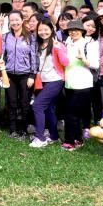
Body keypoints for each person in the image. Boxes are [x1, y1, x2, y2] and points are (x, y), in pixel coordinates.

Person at [29, 18, 68, 148]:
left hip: (55, 80)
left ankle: (40, 138)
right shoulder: (38, 44)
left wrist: (58, 49)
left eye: (46, 29)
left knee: (38, 106)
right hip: (43, 81)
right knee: (49, 108)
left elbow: (66, 62)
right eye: (40, 30)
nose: (43, 32)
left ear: (52, 30)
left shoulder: (58, 44)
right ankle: (54, 136)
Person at [61, 19, 98, 151]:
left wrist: (84, 60)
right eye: (70, 30)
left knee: (71, 113)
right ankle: (77, 139)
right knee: (73, 113)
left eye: (76, 30)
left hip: (83, 84)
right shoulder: (68, 43)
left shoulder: (89, 44)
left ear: (82, 31)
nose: (73, 32)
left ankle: (70, 141)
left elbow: (96, 65)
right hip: (69, 84)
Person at [2, 10, 38, 139]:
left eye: (17, 19)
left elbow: (34, 57)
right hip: (9, 75)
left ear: (22, 20)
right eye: (12, 20)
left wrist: (32, 75)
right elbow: (2, 56)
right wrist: (2, 72)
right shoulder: (6, 37)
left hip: (25, 75)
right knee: (11, 102)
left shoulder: (30, 37)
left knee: (24, 102)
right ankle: (12, 129)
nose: (14, 22)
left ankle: (23, 128)